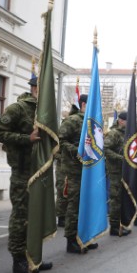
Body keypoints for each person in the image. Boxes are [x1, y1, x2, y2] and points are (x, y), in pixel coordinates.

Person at [0, 75, 54, 273]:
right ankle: (18, 258)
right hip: (22, 171)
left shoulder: (46, 112)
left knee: (36, 213)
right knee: (21, 216)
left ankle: (33, 255)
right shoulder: (18, 108)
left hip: (40, 170)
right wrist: (26, 138)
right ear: (35, 88)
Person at [58, 94, 98, 253]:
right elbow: (60, 140)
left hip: (89, 170)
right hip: (74, 170)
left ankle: (84, 237)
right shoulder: (73, 121)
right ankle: (71, 240)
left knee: (87, 204)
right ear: (83, 104)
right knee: (74, 206)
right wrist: (78, 150)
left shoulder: (93, 123)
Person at [104, 111, 130, 236]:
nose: (128, 123)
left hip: (124, 171)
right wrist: (121, 158)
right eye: (126, 121)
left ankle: (120, 224)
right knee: (115, 199)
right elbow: (105, 149)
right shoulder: (114, 133)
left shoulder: (126, 134)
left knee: (121, 198)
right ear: (120, 121)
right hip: (115, 171)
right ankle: (114, 227)